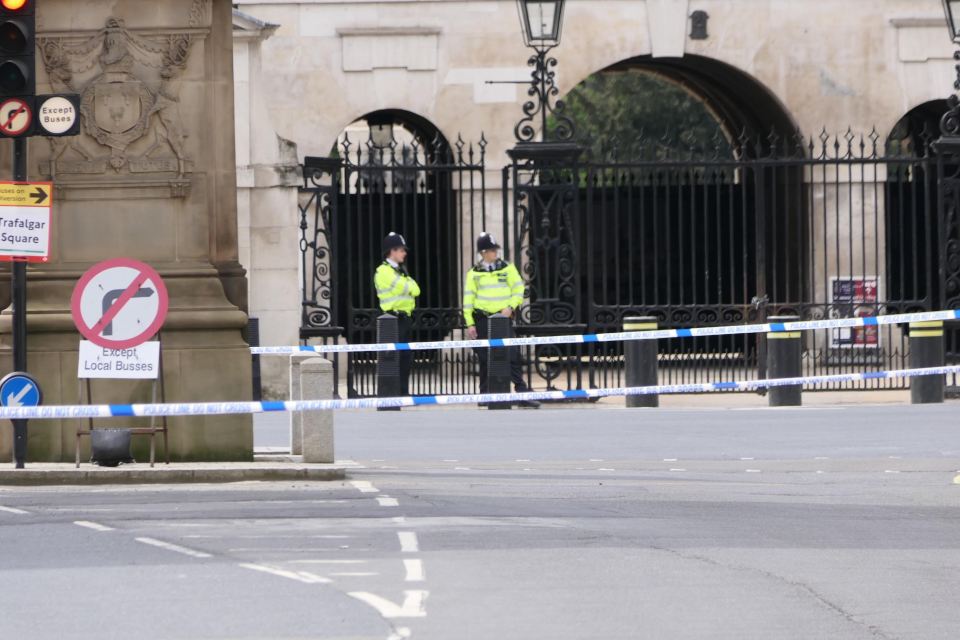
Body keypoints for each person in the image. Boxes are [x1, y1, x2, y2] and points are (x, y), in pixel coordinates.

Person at [463, 232, 540, 408]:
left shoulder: (507, 268)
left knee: (512, 355)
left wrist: (511, 307)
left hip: (502, 318)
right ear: (482, 253)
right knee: (484, 357)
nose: (495, 253)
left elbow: (518, 289)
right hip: (482, 318)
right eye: (491, 250)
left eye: (495, 249)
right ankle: (485, 395)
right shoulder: (473, 273)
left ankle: (522, 393)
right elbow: (468, 299)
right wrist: (470, 323)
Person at [375, 232, 420, 395]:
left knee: (405, 358)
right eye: (401, 250)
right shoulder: (384, 271)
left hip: (404, 319)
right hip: (391, 320)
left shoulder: (400, 271)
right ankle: (392, 393)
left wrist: (409, 284)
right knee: (392, 358)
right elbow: (412, 289)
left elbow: (417, 289)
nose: (404, 253)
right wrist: (409, 284)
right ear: (392, 251)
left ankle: (403, 392)